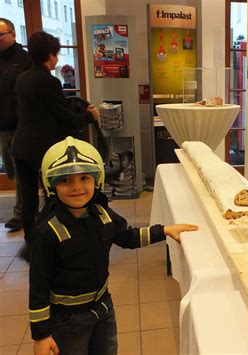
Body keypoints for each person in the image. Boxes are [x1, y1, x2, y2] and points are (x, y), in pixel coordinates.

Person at [29, 136, 199, 355]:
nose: (77, 187)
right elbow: (38, 287)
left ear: (96, 180)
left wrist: (164, 230)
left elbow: (127, 237)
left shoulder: (102, 215)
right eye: (66, 180)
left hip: (103, 307)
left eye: (84, 178)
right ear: (51, 184)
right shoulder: (48, 232)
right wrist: (41, 335)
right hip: (68, 320)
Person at [13, 31, 99, 251]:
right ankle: (54, 244)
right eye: (56, 54)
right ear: (50, 55)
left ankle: (32, 243)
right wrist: (90, 116)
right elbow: (67, 119)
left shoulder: (22, 78)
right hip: (43, 150)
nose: (57, 59)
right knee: (53, 195)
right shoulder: (48, 81)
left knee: (28, 198)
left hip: (21, 146)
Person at [0, 18, 32, 231]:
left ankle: (20, 213)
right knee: (11, 171)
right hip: (2, 126)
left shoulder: (24, 59)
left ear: (12, 34)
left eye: (1, 34)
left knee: (21, 171)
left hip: (22, 125)